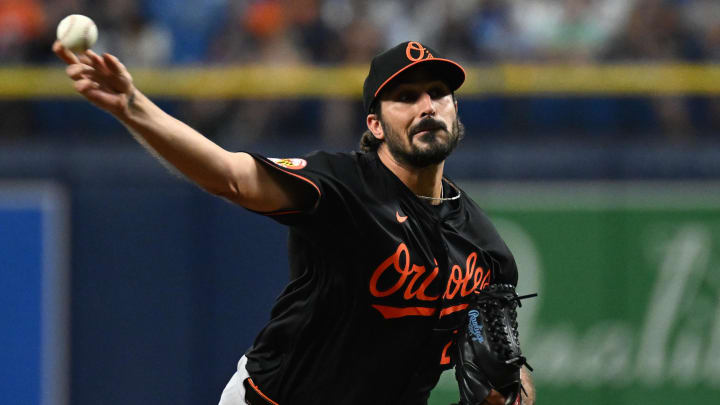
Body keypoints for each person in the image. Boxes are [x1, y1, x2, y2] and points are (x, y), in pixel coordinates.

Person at [53, 39, 535, 405]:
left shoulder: (482, 246)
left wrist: (511, 392)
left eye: (438, 93)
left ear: (455, 110)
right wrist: (135, 108)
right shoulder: (344, 186)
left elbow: (508, 372)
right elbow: (232, 177)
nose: (427, 106)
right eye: (405, 97)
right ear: (375, 125)